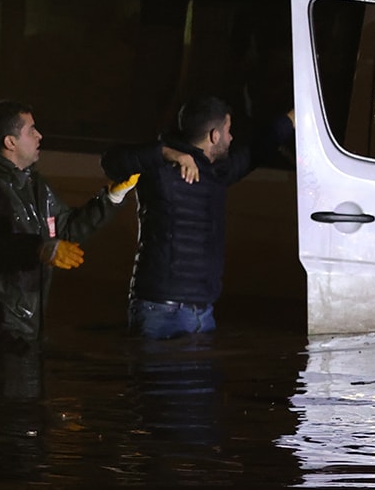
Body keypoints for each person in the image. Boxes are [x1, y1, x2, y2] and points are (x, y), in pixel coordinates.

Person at [0, 100, 137, 352]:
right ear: (10, 142)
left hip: (23, 328)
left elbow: (64, 230)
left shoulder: (35, 186)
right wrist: (39, 248)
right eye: (31, 130)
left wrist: (112, 198)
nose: (39, 136)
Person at [100, 96, 294, 340]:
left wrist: (295, 117)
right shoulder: (159, 168)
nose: (231, 138)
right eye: (228, 131)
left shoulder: (216, 173)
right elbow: (111, 161)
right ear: (214, 135)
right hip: (161, 310)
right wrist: (168, 154)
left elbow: (260, 147)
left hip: (201, 312)